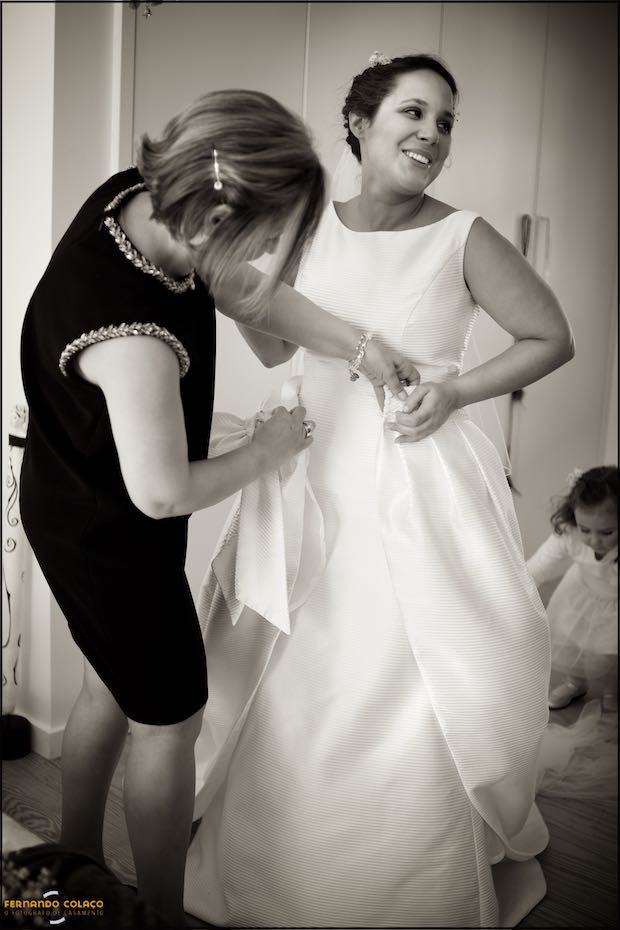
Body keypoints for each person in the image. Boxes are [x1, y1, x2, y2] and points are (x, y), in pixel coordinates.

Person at [185, 55, 575, 928]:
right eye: (414, 112)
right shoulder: (306, 222)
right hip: (307, 468)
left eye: (446, 122)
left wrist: (458, 391)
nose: (432, 135)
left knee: (412, 667)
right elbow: (277, 348)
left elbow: (550, 336)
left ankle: (398, 874)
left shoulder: (464, 235)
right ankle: (269, 857)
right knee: (288, 659)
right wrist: (241, 295)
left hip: (414, 481)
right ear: (358, 124)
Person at [19, 89, 415, 927]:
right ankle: (159, 915)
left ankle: (75, 881)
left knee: (108, 685)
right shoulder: (128, 334)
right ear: (214, 218)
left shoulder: (146, 194)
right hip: (109, 531)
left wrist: (358, 346)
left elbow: (239, 290)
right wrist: (265, 449)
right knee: (170, 716)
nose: (270, 258)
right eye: (270, 238)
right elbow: (161, 491)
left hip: (70, 494)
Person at [528, 466, 618, 712]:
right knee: (570, 642)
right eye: (585, 529)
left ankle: (612, 689)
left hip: (613, 605)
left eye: (607, 532)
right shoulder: (569, 534)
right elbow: (537, 568)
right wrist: (514, 592)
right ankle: (574, 683)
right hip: (579, 594)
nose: (594, 540)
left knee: (607, 654)